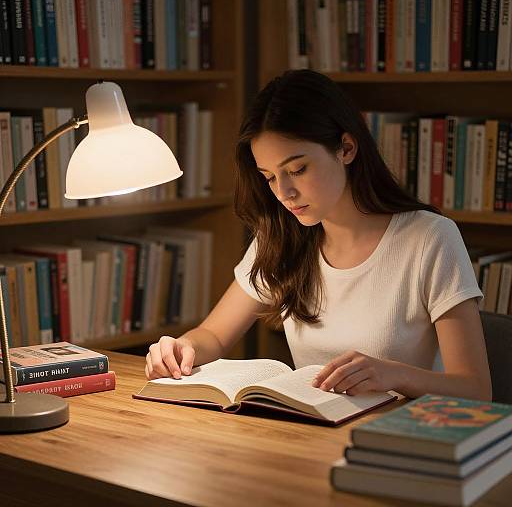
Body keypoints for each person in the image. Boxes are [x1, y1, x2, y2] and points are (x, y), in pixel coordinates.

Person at [145, 69, 492, 401]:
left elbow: (475, 389)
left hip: (399, 443)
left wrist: (393, 374)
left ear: (346, 148)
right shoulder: (281, 237)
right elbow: (214, 336)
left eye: (298, 169)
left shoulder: (429, 239)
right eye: (269, 176)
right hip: (314, 434)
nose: (284, 193)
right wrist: (181, 347)